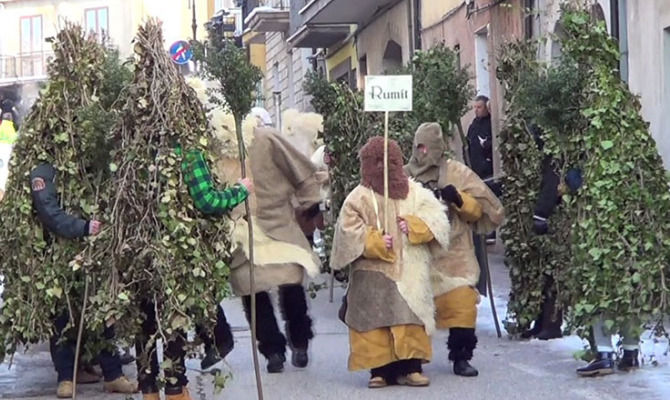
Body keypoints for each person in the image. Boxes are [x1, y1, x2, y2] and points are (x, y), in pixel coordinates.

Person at [331, 136, 451, 388]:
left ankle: (411, 367)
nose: (383, 168)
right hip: (372, 272)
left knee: (408, 315)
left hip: (409, 269)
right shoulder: (358, 197)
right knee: (374, 319)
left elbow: (438, 221)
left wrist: (416, 226)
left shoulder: (416, 193)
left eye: (389, 161)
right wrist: (372, 241)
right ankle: (380, 370)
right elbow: (347, 230)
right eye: (376, 162)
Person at [227, 109, 324, 373]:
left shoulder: (259, 140)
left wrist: (309, 199)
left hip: (263, 228)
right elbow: (301, 169)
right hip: (254, 231)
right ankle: (289, 345)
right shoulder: (264, 138)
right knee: (278, 287)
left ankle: (279, 349)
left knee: (261, 292)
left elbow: (299, 169)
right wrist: (310, 198)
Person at [405, 122, 504, 377]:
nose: (423, 152)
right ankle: (413, 358)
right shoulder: (404, 175)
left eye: (428, 146)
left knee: (462, 304)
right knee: (412, 307)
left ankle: (461, 357)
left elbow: (483, 209)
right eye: (419, 146)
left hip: (455, 255)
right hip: (418, 255)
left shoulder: (458, 173)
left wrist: (459, 199)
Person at [30, 163, 137, 398]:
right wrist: (83, 227)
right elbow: (48, 212)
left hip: (93, 252)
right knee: (62, 316)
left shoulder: (90, 161)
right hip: (59, 257)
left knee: (101, 310)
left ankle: (112, 374)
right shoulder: (43, 170)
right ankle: (66, 377)